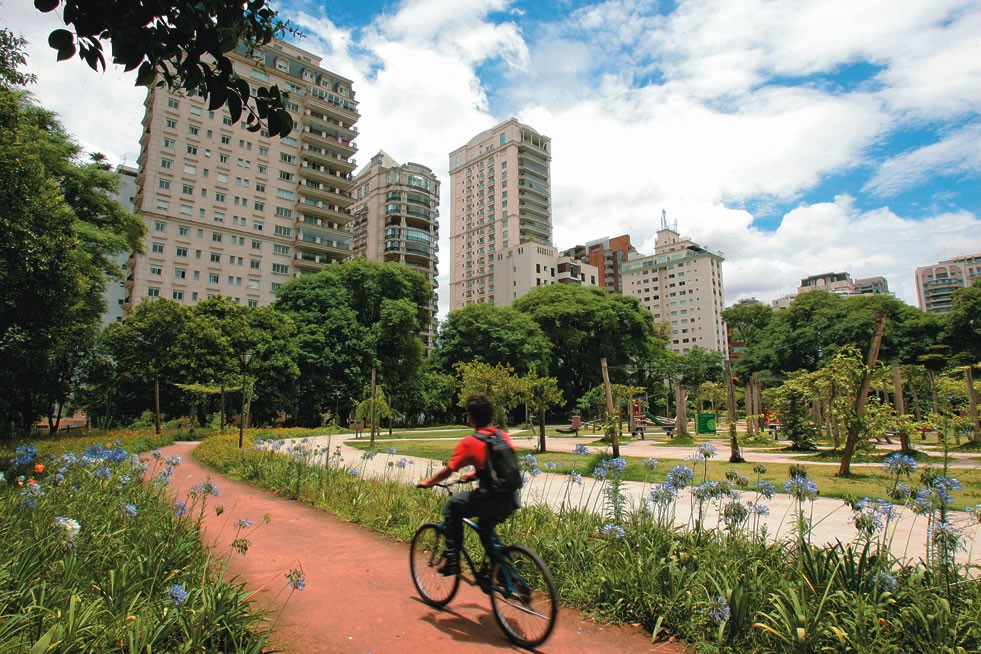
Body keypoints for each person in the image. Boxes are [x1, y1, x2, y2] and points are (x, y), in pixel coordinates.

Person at [417, 394, 519, 575]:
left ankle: (452, 560)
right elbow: (500, 467)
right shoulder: (502, 435)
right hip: (510, 497)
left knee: (452, 506)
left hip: (489, 499)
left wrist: (429, 482)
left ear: (471, 417)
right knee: (485, 528)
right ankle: (504, 575)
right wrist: (474, 475)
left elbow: (449, 470)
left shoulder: (470, 442)